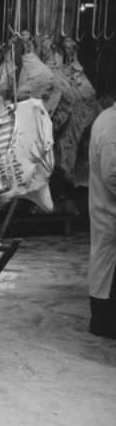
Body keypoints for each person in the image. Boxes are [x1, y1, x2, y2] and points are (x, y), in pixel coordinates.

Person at [88, 101, 116, 339]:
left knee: (104, 265)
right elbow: (113, 173)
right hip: (110, 210)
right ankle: (104, 323)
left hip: (104, 207)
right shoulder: (112, 126)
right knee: (108, 268)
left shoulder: (106, 118)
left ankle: (103, 320)